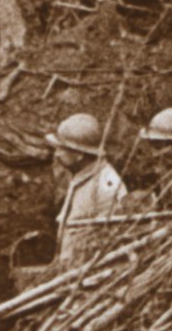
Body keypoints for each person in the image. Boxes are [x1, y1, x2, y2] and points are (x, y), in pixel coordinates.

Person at [46, 113, 127, 269]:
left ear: (79, 155)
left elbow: (110, 241)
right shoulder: (82, 176)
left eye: (61, 149)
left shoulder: (106, 185)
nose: (56, 155)